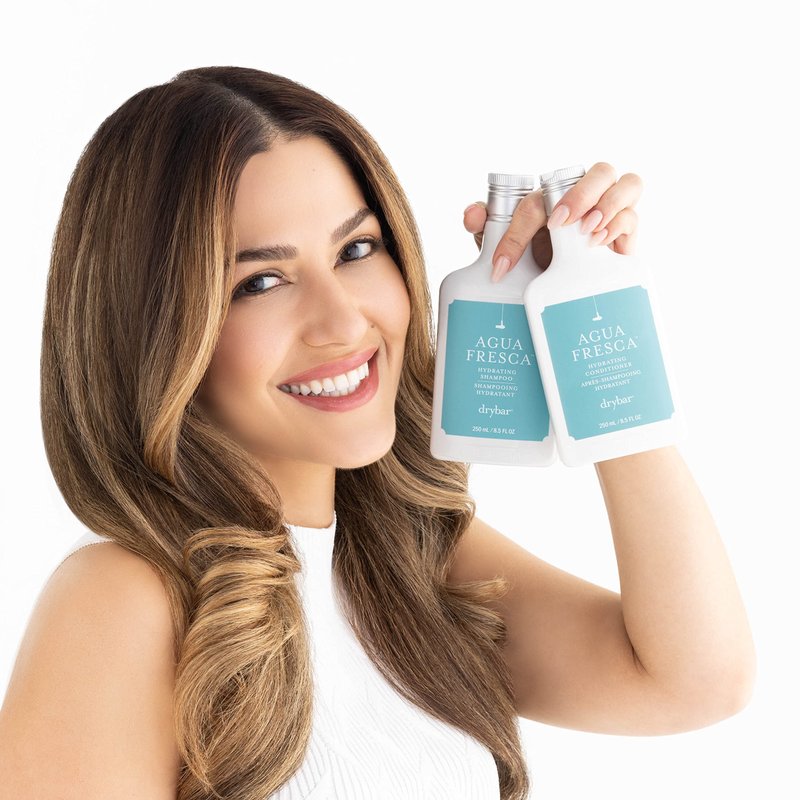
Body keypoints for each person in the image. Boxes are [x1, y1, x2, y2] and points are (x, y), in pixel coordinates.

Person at [0, 66, 756, 800]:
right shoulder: (124, 599)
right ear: (154, 334)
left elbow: (694, 681)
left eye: (356, 250)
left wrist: (589, 311)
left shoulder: (401, 562)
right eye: (260, 282)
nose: (342, 321)